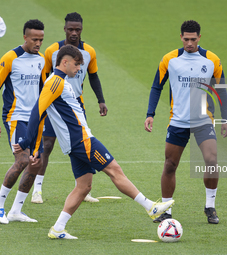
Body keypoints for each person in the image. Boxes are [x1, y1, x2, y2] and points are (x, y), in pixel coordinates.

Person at [13, 44, 174, 239]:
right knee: (115, 170)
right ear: (65, 62)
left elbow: (43, 113)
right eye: (77, 64)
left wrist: (34, 147)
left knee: (83, 187)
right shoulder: (55, 82)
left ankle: (57, 229)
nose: (79, 68)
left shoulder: (60, 82)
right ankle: (151, 207)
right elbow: (37, 111)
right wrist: (28, 142)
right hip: (82, 141)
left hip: (75, 143)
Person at [144, 20, 227, 224]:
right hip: (178, 120)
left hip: (204, 120)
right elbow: (157, 86)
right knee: (170, 165)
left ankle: (210, 206)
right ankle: (166, 209)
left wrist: (225, 119)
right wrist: (150, 113)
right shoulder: (170, 59)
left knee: (211, 161)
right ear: (181, 37)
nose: (189, 43)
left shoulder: (212, 60)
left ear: (199, 37)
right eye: (186, 39)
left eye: (193, 39)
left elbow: (222, 90)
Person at [31, 12, 108, 204]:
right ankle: (37, 189)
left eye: (78, 29)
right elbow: (45, 78)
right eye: (71, 29)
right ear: (64, 29)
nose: (74, 32)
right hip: (54, 105)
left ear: (82, 30)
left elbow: (93, 76)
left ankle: (84, 189)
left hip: (76, 105)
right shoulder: (52, 51)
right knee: (47, 145)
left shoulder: (89, 51)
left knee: (83, 145)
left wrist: (101, 100)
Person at [0, 19, 45, 224]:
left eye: (41, 39)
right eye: (34, 39)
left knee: (36, 163)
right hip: (15, 117)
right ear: (25, 37)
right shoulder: (10, 58)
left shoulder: (43, 60)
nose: (38, 43)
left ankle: (16, 211)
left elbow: (44, 92)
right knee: (22, 161)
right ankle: (0, 207)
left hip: (35, 120)